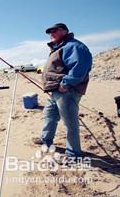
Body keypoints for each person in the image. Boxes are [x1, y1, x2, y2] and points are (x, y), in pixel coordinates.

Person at [33, 23, 92, 158]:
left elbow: (80, 68)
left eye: (55, 31)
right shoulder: (61, 47)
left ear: (65, 31)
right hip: (55, 91)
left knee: (70, 123)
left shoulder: (74, 46)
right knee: (49, 116)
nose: (51, 33)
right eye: (50, 32)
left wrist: (65, 84)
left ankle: (73, 154)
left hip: (67, 91)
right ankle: (45, 139)